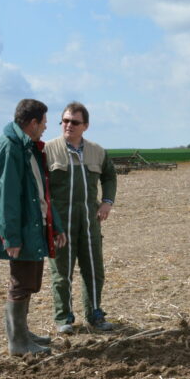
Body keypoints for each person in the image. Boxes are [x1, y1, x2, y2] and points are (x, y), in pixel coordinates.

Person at [0, 98, 67, 355]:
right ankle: (18, 342)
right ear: (32, 122)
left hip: (31, 224)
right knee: (21, 281)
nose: (46, 128)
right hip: (22, 229)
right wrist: (11, 237)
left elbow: (41, 192)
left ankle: (23, 333)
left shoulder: (26, 147)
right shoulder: (10, 148)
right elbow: (7, 197)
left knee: (27, 280)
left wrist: (55, 226)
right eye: (44, 123)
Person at [44, 101, 118, 333]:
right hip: (60, 224)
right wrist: (50, 223)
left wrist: (107, 202)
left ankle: (95, 315)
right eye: (65, 121)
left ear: (85, 125)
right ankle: (64, 319)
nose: (68, 125)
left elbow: (109, 176)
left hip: (89, 223)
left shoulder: (97, 151)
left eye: (74, 122)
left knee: (94, 271)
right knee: (61, 274)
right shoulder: (47, 150)